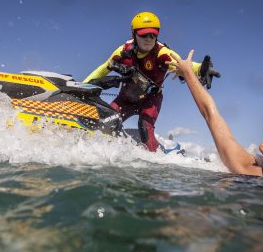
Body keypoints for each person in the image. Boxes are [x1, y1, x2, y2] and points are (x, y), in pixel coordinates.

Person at [83, 12, 219, 152]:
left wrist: (201, 69)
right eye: (144, 35)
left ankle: (159, 157)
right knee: (105, 122)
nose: (149, 39)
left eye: (153, 35)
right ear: (134, 34)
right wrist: (81, 87)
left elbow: (182, 65)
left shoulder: (163, 53)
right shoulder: (122, 51)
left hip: (151, 100)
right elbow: (102, 69)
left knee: (144, 127)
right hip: (126, 99)